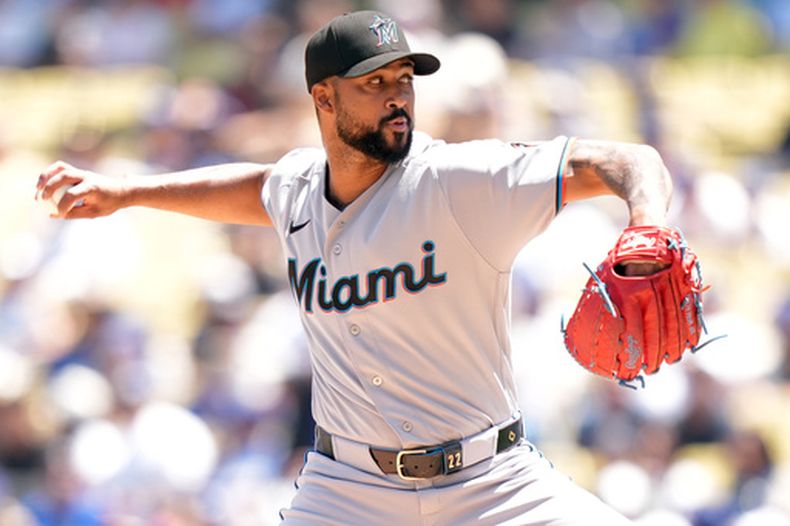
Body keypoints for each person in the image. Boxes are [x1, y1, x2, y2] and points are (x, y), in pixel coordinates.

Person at [36, 10, 673, 525]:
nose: (398, 99)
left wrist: (647, 225)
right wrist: (127, 192)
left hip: (492, 484)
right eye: (375, 84)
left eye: (405, 81)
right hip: (346, 491)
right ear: (323, 97)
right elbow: (252, 184)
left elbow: (627, 159)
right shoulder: (296, 190)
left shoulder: (459, 179)